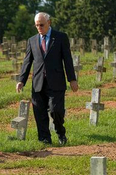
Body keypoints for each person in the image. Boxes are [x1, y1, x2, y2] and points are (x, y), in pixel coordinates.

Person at [16, 12, 78, 145]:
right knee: (39, 112)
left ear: (49, 23)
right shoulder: (32, 40)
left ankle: (60, 132)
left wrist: (72, 79)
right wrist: (22, 80)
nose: (39, 27)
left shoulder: (60, 37)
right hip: (38, 82)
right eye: (37, 25)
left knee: (56, 111)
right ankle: (44, 139)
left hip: (56, 82)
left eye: (41, 25)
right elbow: (27, 61)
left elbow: (67, 59)